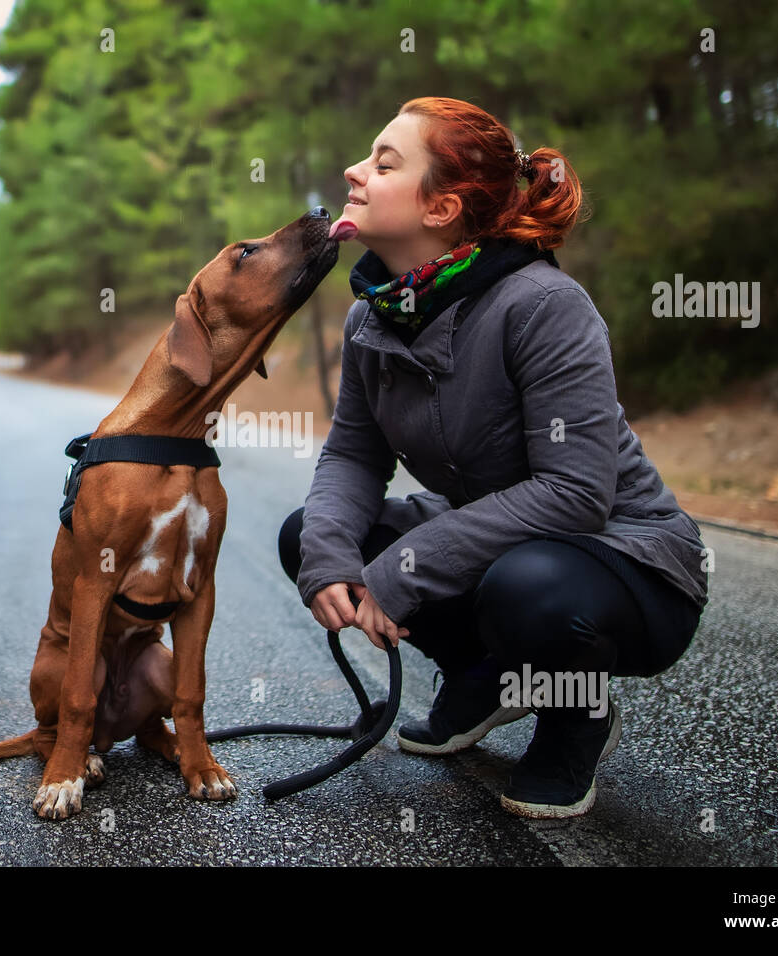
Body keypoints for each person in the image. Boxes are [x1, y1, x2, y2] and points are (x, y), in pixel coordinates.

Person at [277, 96, 709, 819]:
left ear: (441, 209)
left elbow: (576, 495)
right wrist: (330, 556)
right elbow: (354, 455)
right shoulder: (372, 315)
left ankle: (576, 721)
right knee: (310, 533)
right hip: (498, 541)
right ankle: (482, 675)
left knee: (525, 586)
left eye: (384, 163)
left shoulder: (542, 304)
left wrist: (404, 570)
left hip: (624, 563)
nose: (354, 171)